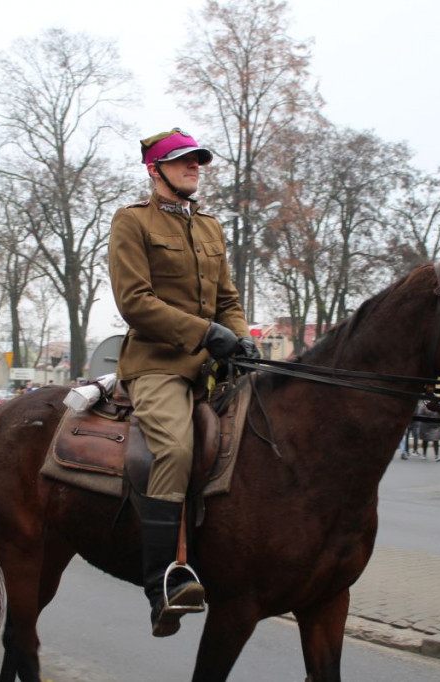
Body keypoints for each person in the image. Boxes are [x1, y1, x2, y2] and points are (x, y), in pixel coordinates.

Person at [108, 127, 257, 637]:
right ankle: (163, 584)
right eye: (183, 161)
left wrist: (241, 337)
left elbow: (228, 300)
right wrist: (206, 333)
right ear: (156, 170)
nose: (195, 167)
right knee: (173, 447)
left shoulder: (210, 227)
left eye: (197, 160)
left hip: (215, 363)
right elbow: (135, 301)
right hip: (159, 364)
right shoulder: (132, 222)